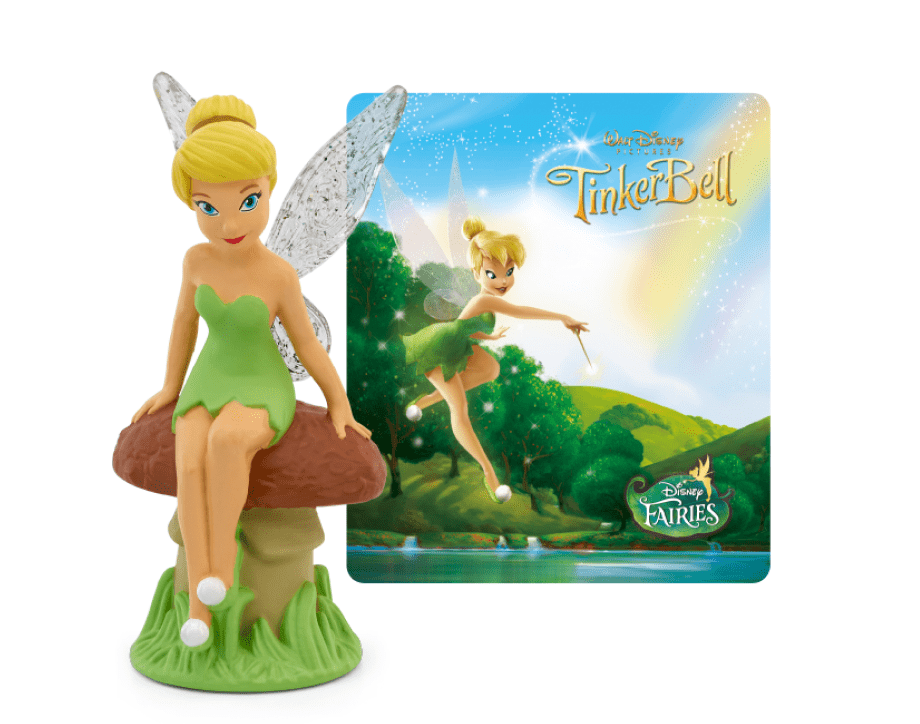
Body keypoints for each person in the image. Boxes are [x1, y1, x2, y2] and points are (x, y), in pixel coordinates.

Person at [132, 95, 369, 648]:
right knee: (189, 454)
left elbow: (306, 346)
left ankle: (218, 570)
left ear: (268, 188)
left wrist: (338, 401)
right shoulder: (196, 261)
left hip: (261, 383)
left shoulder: (277, 273)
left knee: (228, 441)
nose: (230, 223)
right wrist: (170, 386)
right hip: (209, 378)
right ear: (192, 205)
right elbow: (184, 325)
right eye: (208, 207)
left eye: (248, 200)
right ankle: (199, 605)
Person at [403, 216, 588, 502]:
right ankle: (489, 473)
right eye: (493, 274)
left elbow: (465, 327)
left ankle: (425, 401)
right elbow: (520, 311)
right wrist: (562, 317)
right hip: (440, 352)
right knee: (459, 408)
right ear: (476, 273)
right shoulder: (484, 300)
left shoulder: (483, 302)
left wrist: (489, 338)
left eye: (509, 272)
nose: (503, 281)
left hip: (457, 345)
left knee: (490, 368)